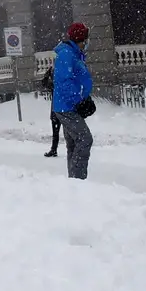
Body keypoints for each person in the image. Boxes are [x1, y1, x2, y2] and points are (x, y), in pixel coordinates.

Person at [52, 21, 94, 180]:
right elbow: (64, 82)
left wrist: (85, 98)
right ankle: (77, 181)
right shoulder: (66, 54)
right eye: (86, 39)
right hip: (67, 107)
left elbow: (76, 80)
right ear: (81, 39)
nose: (87, 43)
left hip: (70, 105)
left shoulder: (74, 53)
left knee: (74, 144)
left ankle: (73, 181)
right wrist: (78, 100)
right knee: (85, 139)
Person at [39, 64, 61, 157]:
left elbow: (44, 82)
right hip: (63, 109)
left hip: (56, 108)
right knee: (67, 131)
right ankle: (55, 149)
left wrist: (47, 73)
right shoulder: (58, 83)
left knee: (56, 131)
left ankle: (54, 149)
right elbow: (44, 83)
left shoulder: (54, 84)